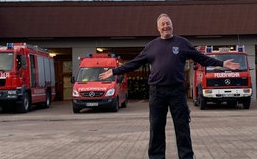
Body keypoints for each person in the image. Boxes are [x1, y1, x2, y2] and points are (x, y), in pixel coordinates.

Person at [99, 13, 240, 159]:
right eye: (163, 24)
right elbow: (135, 63)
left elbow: (202, 58)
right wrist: (115, 71)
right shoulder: (151, 46)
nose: (166, 26)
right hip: (156, 92)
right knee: (156, 128)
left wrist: (222, 63)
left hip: (177, 92)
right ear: (158, 28)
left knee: (182, 127)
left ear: (172, 25)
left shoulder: (182, 43)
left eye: (168, 23)